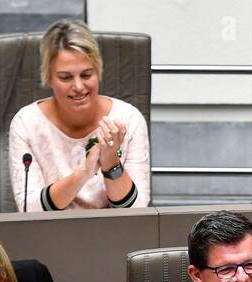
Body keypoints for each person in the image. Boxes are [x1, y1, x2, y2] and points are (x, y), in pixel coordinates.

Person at [8, 19, 150, 211]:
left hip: (114, 236)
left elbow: (137, 211)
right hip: (49, 235)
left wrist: (110, 165)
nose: (78, 87)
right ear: (48, 78)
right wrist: (83, 173)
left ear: (98, 72)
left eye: (86, 75)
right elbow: (30, 209)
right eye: (66, 77)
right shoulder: (26, 124)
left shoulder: (128, 120)